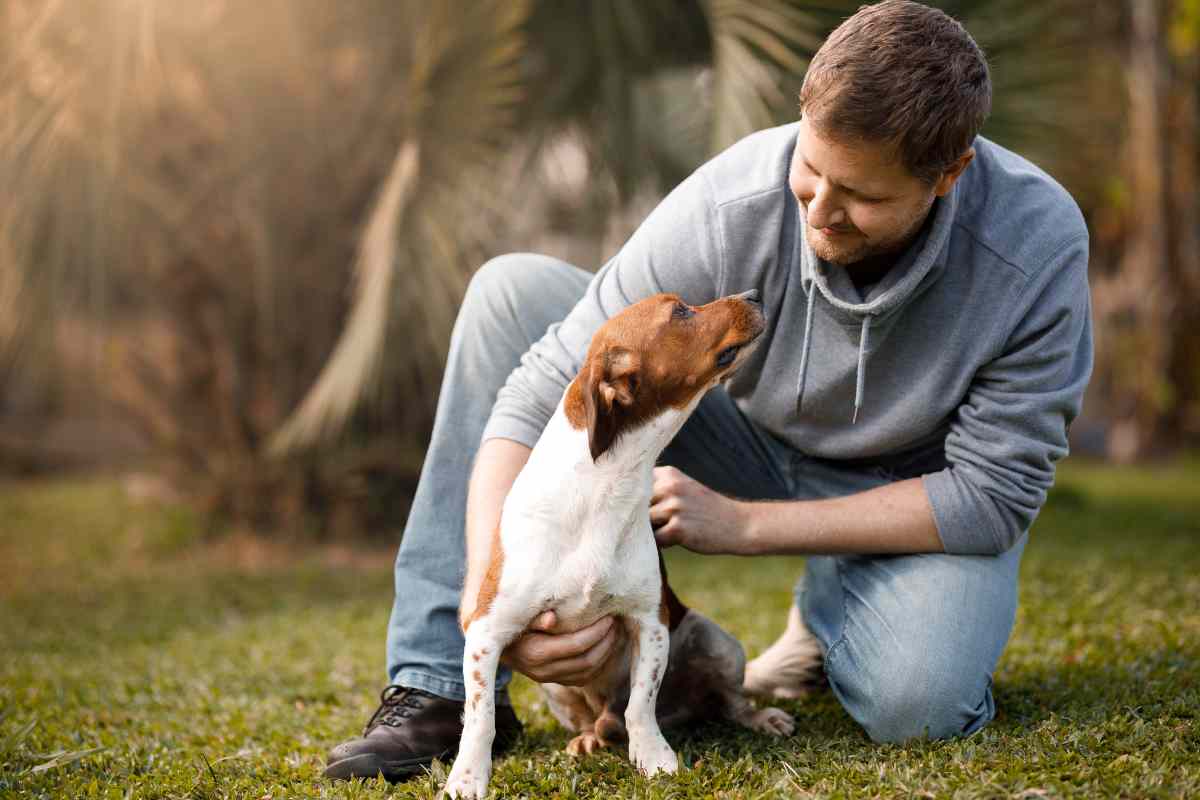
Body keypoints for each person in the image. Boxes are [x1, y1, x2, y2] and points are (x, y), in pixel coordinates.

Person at [324, 0, 1093, 782]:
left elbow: (991, 497)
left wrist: (746, 525)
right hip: (742, 433)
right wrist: (488, 593)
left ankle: (842, 606)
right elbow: (535, 392)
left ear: (950, 174)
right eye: (812, 170)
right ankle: (433, 684)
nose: (820, 213)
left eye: (859, 195)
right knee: (509, 292)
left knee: (919, 707)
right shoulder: (734, 199)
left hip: (906, 488)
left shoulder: (1034, 246)